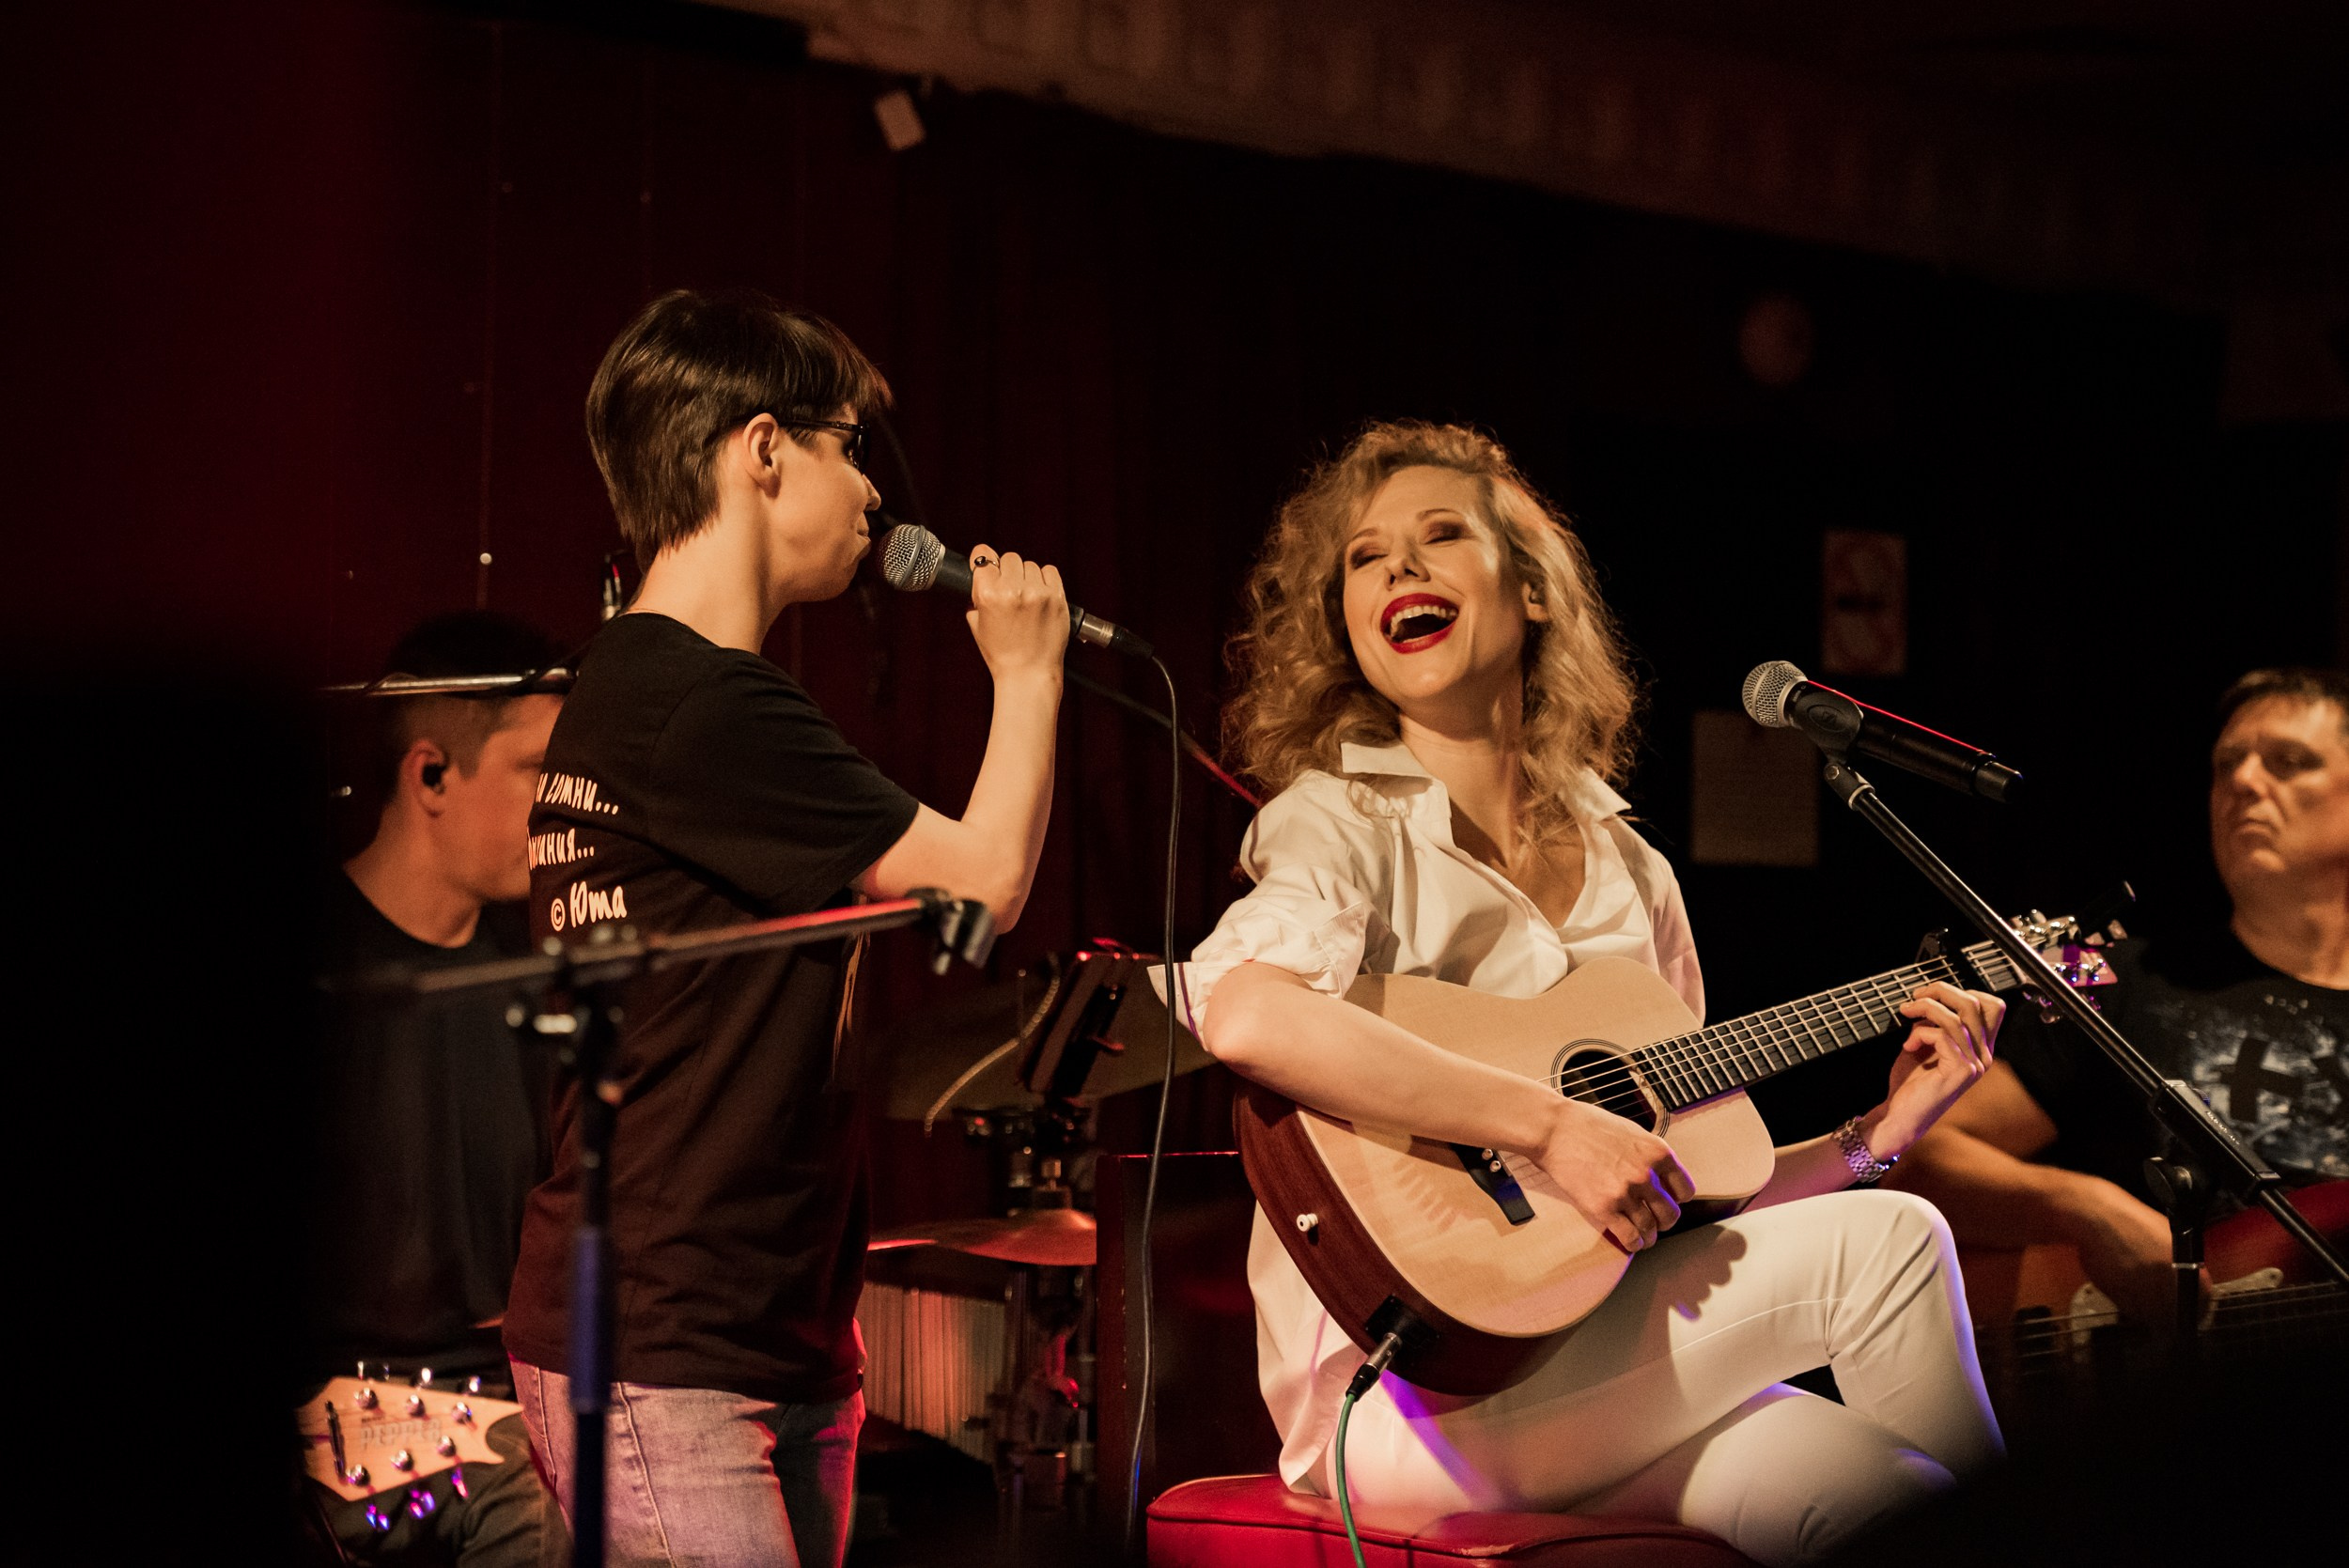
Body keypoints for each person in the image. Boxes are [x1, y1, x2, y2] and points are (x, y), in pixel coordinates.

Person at [1177, 422, 2008, 1566]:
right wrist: (1547, 1123)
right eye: (1366, 557)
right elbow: (1244, 1012)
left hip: (1603, 1358)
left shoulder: (1631, 871)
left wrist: (1875, 1136)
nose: (1401, 569)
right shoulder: (1337, 822)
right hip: (1406, 1403)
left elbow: (1685, 1199)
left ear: (1532, 593)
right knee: (1893, 1245)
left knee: (1882, 1493)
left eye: (1439, 536)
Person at [500, 289, 1068, 1568]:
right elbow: (983, 883)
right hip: (671, 1343)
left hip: (756, 1327)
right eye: (849, 444)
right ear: (763, 449)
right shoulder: (698, 701)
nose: (873, 493)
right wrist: (1029, 679)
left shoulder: (654, 684)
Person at [1890, 667, 2349, 1324]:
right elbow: (1917, 1150)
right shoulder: (2106, 971)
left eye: (2289, 762)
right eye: (2227, 765)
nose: (2244, 782)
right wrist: (2087, 1209)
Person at [308, 610, 568, 1566]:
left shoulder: (530, 982)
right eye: (537, 771)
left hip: (491, 1405)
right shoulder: (319, 963)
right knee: (535, 1500)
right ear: (429, 775)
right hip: (334, 1411)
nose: (560, 807)